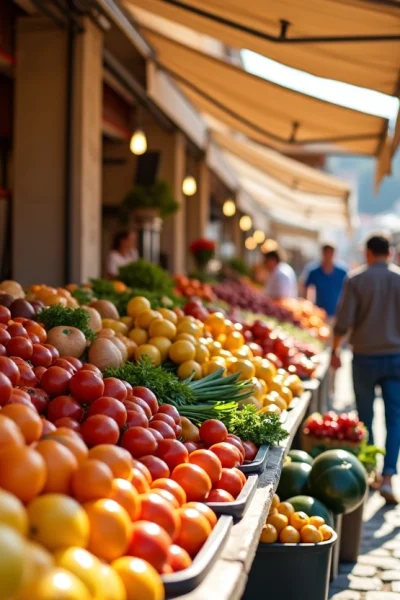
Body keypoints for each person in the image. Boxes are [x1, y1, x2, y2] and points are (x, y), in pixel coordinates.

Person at [331, 234, 400, 502]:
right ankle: (388, 477)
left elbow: (342, 321)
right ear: (390, 253)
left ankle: (369, 470)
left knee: (365, 416)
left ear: (368, 253)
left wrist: (335, 350)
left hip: (364, 359)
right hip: (396, 358)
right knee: (395, 418)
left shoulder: (356, 279)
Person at [303, 244, 347, 321]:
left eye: (330, 253)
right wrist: (308, 306)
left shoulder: (342, 272)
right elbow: (306, 287)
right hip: (318, 313)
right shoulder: (314, 271)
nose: (328, 256)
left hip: (337, 313)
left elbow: (347, 291)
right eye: (326, 253)